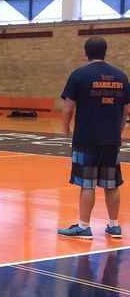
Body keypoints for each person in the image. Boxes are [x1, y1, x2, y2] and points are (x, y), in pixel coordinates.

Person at [58, 37, 128, 240]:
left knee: (87, 183)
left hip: (86, 138)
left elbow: (68, 107)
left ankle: (83, 226)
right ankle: (114, 226)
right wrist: (118, 131)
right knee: (112, 183)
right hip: (111, 139)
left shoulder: (79, 75)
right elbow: (126, 111)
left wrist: (65, 128)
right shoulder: (121, 76)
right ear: (106, 52)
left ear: (85, 53)